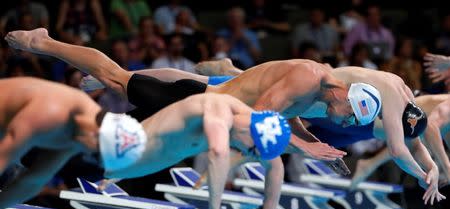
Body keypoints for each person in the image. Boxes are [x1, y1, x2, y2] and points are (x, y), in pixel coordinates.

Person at [5, 28, 357, 168]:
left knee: (111, 126)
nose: (345, 124)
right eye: (350, 117)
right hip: (195, 100)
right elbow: (262, 118)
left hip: (201, 100)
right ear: (346, 94)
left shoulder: (316, 89)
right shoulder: (308, 76)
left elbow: (285, 117)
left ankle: (28, 150)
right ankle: (42, 43)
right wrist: (305, 147)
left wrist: (315, 145)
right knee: (115, 80)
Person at [193, 59, 445, 204]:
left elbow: (413, 143)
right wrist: (425, 175)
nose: (393, 129)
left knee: (261, 99)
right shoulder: (391, 101)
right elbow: (398, 149)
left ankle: (230, 73)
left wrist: (433, 168)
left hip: (334, 102)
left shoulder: (407, 98)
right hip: (327, 101)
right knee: (258, 111)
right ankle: (224, 79)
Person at [100, 93, 290, 209]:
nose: (245, 153)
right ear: (252, 132)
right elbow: (218, 152)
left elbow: (276, 166)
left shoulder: (251, 123)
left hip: (127, 168)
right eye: (251, 151)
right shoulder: (219, 109)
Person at [0, 76, 146, 209]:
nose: (88, 154)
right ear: (97, 135)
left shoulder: (77, 134)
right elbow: (4, 156)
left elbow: (34, 181)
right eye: (95, 155)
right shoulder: (54, 111)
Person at [350, 93, 450, 195]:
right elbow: (430, 126)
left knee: (412, 143)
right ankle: (369, 165)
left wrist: (430, 173)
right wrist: (446, 168)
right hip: (383, 118)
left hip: (386, 126)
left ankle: (370, 164)